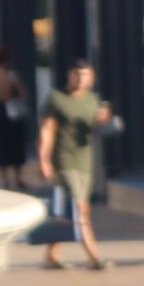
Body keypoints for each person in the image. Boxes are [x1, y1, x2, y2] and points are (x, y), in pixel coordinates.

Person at [37, 58, 113, 271]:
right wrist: (44, 160)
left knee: (68, 210)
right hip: (64, 159)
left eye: (86, 75)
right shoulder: (57, 99)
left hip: (85, 161)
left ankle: (51, 254)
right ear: (69, 75)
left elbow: (99, 124)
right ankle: (94, 256)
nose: (81, 79)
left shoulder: (93, 99)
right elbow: (47, 131)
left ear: (92, 77)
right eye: (77, 74)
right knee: (80, 208)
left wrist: (105, 119)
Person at [0, 47, 31, 190]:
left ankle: (4, 179)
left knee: (0, 144)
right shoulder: (12, 76)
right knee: (16, 144)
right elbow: (24, 93)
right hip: (12, 109)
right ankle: (18, 177)